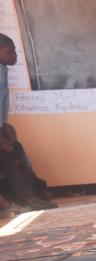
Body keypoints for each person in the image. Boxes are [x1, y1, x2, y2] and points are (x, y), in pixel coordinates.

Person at [0, 34, 55, 213]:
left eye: (15, 50)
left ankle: (38, 191)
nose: (15, 55)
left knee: (19, 153)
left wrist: (5, 127)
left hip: (2, 125)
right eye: (10, 51)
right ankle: (30, 199)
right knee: (10, 160)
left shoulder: (3, 69)